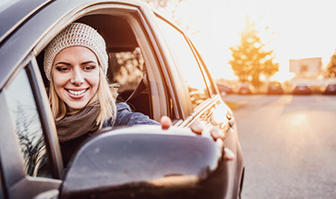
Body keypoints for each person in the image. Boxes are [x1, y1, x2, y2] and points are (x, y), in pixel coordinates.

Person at [43, 22, 219, 166]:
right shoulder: (29, 120)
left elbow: (158, 138)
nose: (77, 79)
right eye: (63, 68)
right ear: (50, 75)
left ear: (100, 73)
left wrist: (193, 148)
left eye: (88, 67)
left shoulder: (120, 121)